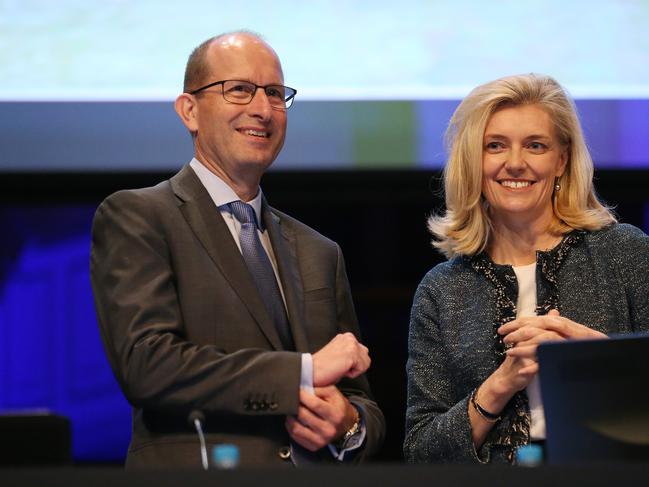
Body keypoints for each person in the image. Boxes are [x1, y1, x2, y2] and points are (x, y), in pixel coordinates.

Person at [90, 31, 385, 468]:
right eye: (240, 90)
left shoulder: (319, 250)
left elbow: (361, 401)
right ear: (189, 110)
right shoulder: (139, 216)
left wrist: (350, 425)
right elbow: (148, 364)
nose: (262, 109)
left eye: (274, 94)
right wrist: (301, 373)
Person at [403, 73, 649, 464]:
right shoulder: (443, 289)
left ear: (562, 159)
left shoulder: (624, 253)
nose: (514, 163)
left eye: (535, 145)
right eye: (495, 146)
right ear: (473, 160)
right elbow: (421, 453)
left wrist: (600, 361)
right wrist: (500, 384)